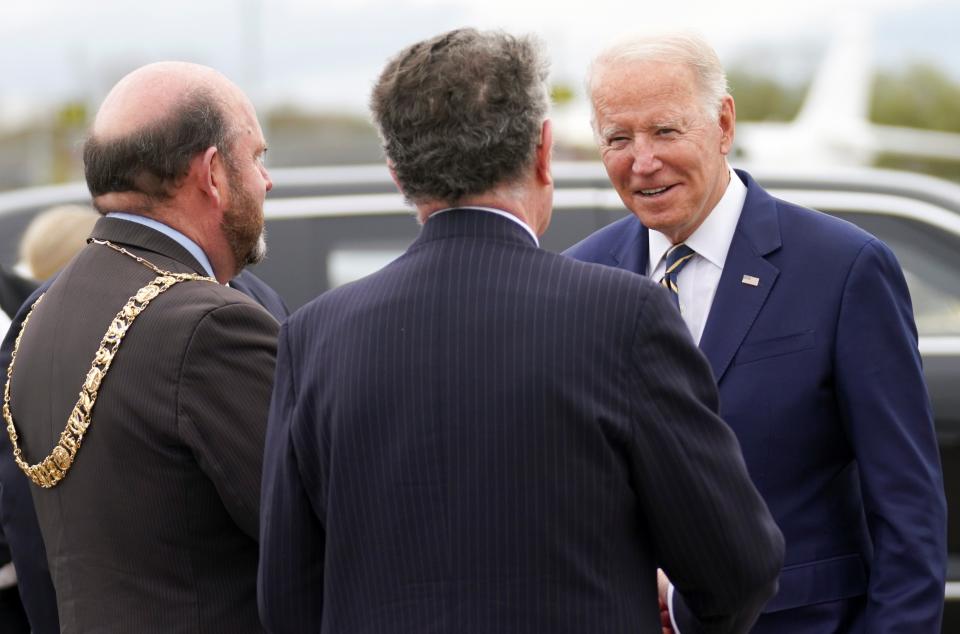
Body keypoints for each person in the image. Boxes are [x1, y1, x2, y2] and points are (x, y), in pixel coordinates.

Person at [258, 28, 783, 634]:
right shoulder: (623, 318)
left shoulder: (314, 337)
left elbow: (287, 600)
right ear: (542, 150)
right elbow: (737, 568)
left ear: (398, 175)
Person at [564, 33, 947, 632]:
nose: (641, 161)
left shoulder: (843, 269)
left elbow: (908, 509)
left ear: (723, 123)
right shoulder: (576, 276)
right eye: (618, 138)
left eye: (665, 131)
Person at [2, 61, 278, 633]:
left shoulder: (37, 315)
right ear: (212, 174)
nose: (266, 181)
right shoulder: (208, 325)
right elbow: (309, 528)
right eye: (255, 157)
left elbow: (36, 561)